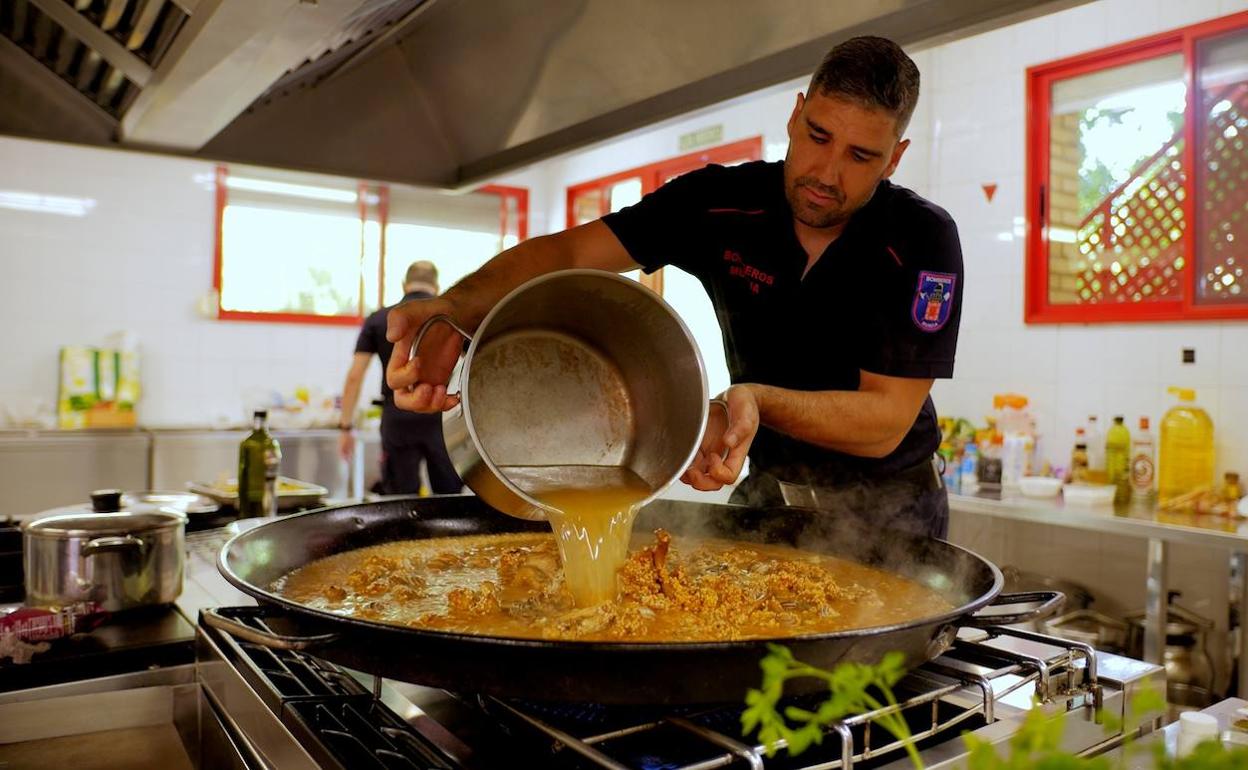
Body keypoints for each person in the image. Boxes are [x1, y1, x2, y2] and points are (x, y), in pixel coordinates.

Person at [383, 37, 962, 537]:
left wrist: (755, 401)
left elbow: (884, 423)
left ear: (895, 159)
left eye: (862, 156)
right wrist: (455, 306)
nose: (827, 174)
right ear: (796, 113)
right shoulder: (719, 203)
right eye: (817, 136)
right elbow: (570, 253)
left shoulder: (920, 240)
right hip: (770, 501)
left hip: (892, 520)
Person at [339, 261, 463, 495]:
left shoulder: (380, 319)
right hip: (441, 415)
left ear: (404, 285)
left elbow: (355, 376)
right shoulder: (450, 319)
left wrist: (346, 427)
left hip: (398, 416)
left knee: (400, 499)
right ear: (436, 287)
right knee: (449, 498)